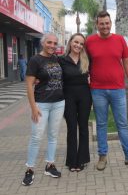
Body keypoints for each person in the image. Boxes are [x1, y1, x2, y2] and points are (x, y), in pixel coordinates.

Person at [85, 11, 128, 171]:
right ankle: (102, 157)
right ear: (97, 24)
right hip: (97, 90)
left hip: (119, 90)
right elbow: (84, 63)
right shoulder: (90, 41)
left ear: (110, 23)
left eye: (107, 23)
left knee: (122, 125)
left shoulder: (119, 40)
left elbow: (127, 63)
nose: (104, 26)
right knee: (101, 125)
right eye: (101, 23)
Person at [22, 33, 65, 186]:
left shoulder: (56, 59)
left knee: (53, 136)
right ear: (43, 43)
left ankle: (49, 165)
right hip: (41, 104)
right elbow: (29, 85)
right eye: (49, 42)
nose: (52, 45)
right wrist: (33, 107)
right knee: (36, 137)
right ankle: (30, 170)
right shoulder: (35, 60)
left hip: (59, 103)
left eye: (55, 43)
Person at [58, 33, 92, 172]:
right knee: (72, 128)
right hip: (68, 97)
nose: (78, 45)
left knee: (83, 128)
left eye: (81, 43)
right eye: (76, 42)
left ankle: (82, 159)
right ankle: (72, 161)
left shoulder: (87, 59)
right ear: (70, 42)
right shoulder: (61, 60)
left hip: (85, 96)